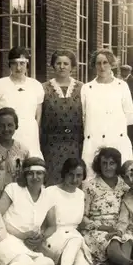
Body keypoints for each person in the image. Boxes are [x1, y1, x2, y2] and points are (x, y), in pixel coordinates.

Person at [82, 148, 133, 265]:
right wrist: (102, 227)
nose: (108, 167)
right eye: (104, 163)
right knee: (112, 243)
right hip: (98, 228)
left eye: (112, 163)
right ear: (98, 165)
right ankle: (132, 264)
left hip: (120, 226)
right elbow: (83, 217)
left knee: (126, 240)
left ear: (117, 165)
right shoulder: (90, 186)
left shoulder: (124, 185)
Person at [41, 158, 107, 265]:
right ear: (64, 174)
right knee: (75, 239)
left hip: (71, 237)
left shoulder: (80, 194)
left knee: (78, 254)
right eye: (71, 174)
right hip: (52, 236)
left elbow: (77, 220)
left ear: (83, 177)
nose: (74, 179)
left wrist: (96, 225)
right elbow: (47, 223)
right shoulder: (51, 191)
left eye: (78, 175)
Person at [80, 49, 133, 179]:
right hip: (93, 141)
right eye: (98, 63)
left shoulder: (122, 86)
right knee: (91, 179)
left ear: (112, 65)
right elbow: (83, 116)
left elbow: (129, 115)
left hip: (117, 139)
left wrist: (113, 128)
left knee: (121, 179)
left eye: (105, 62)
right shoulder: (87, 88)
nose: (102, 66)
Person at [0, 46, 44, 158]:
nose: (18, 68)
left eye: (22, 63)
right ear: (9, 64)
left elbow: (38, 116)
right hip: (5, 134)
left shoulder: (36, 85)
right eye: (14, 63)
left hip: (28, 135)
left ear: (27, 64)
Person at [40, 50, 84, 186]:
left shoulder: (82, 88)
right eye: (58, 63)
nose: (62, 66)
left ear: (72, 66)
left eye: (66, 63)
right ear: (53, 66)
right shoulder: (43, 88)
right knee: (53, 181)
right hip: (51, 144)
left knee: (73, 179)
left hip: (75, 144)